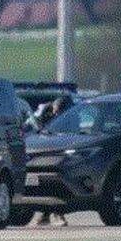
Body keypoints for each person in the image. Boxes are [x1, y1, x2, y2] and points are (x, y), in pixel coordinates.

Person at [36, 96, 73, 227]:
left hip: (59, 155)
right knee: (48, 185)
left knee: (54, 185)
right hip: (45, 153)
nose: (58, 114)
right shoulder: (45, 115)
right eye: (56, 111)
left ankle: (50, 215)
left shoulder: (70, 117)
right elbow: (39, 130)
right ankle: (51, 215)